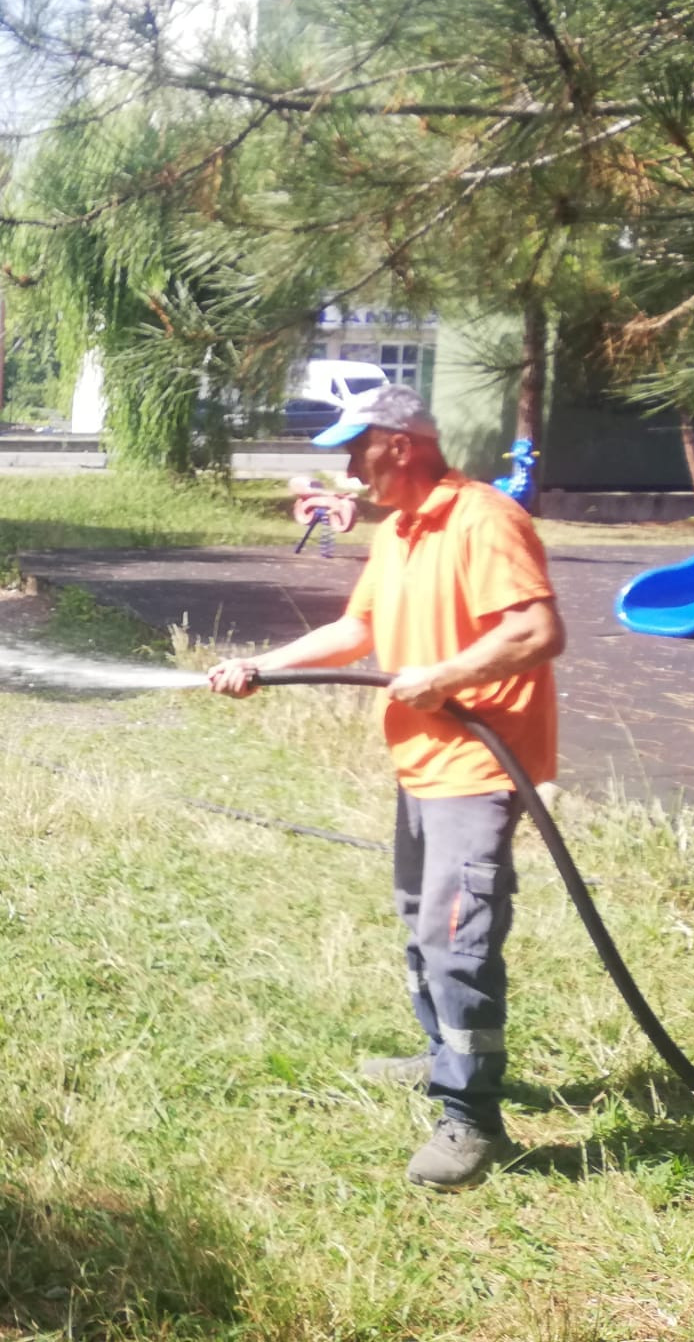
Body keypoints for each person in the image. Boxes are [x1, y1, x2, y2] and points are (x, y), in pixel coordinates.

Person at [206, 384, 564, 1191]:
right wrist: (263, 666)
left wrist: (446, 675)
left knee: (456, 940)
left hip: (477, 770)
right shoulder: (402, 530)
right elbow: (359, 630)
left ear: (399, 444)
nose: (346, 466)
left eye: (353, 448)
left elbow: (538, 632)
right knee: (420, 923)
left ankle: (471, 1118)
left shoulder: (483, 520)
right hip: (420, 766)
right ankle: (440, 1051)